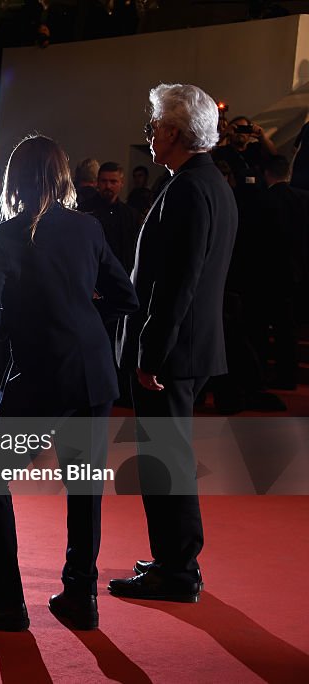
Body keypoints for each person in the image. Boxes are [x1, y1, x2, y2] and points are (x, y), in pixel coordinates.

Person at [0, 134, 137, 632]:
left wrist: (24, 326)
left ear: (15, 180)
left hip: (42, 374)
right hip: (94, 373)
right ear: (64, 176)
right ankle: (80, 598)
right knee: (84, 487)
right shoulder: (88, 227)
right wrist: (83, 318)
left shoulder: (1, 237)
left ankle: (6, 602)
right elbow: (125, 297)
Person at [110, 83, 238, 603]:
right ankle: (172, 558)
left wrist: (151, 354)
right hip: (189, 345)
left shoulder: (188, 188)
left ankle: (177, 568)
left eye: (153, 127)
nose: (149, 137)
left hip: (173, 351)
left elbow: (178, 282)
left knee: (165, 459)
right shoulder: (209, 183)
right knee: (168, 456)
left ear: (171, 131)